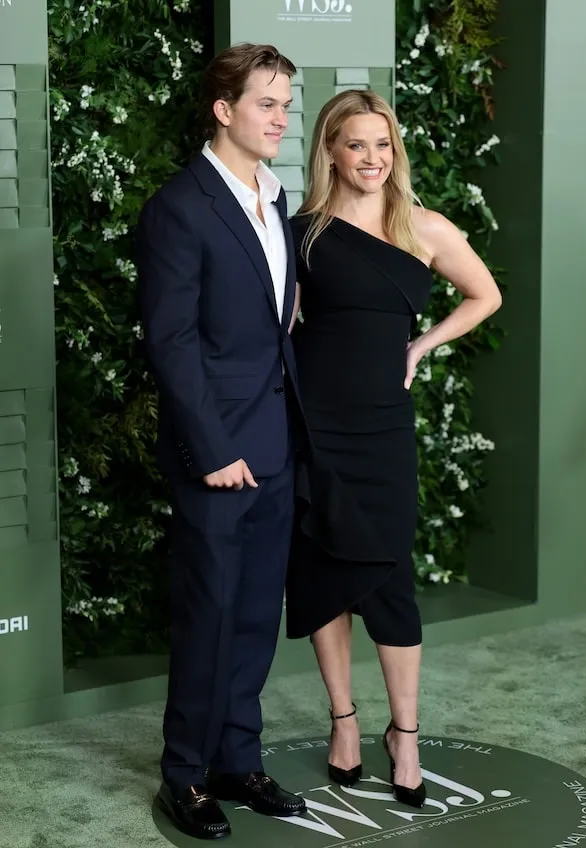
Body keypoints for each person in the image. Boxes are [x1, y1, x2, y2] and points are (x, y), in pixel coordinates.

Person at [284, 89, 502, 808]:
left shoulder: (424, 226)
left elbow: (485, 296)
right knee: (321, 571)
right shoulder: (303, 233)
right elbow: (279, 326)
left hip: (382, 425)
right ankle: (344, 720)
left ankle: (403, 733)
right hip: (315, 418)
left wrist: (423, 342)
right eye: (356, 145)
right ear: (331, 152)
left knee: (388, 578)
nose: (372, 158)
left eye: (383, 145)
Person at [137, 43, 308, 840]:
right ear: (224, 109)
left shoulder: (275, 201)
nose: (282, 118)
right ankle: (184, 774)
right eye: (267, 104)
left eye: (286, 104)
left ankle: (238, 760)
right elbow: (171, 343)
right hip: (216, 453)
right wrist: (211, 449)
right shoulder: (180, 206)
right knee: (208, 614)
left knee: (252, 617)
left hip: (274, 444)